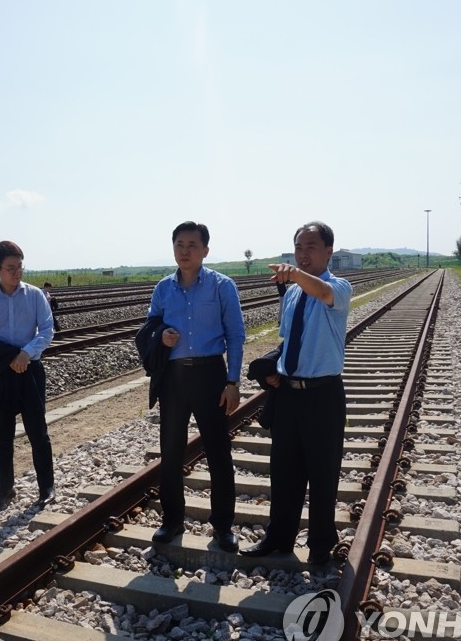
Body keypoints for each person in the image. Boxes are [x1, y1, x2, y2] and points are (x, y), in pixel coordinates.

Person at [240, 222, 352, 569]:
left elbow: (321, 292)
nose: (303, 254)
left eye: (311, 247)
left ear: (328, 251)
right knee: (284, 470)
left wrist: (295, 275)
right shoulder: (291, 294)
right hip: (289, 395)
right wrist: (274, 369)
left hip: (323, 395)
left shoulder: (339, 287)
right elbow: (289, 340)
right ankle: (278, 537)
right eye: (298, 248)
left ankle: (321, 544)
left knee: (323, 472)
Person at [143, 221, 245, 553]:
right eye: (179, 245)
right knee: (171, 451)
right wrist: (162, 336)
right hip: (173, 378)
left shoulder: (222, 286)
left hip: (210, 374)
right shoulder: (163, 288)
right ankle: (172, 520)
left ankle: (223, 526)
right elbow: (150, 326)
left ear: (205, 250)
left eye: (192, 245)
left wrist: (233, 381)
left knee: (218, 451)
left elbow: (236, 336)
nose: (185, 251)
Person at [0, 241, 56, 513]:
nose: (17, 272)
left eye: (20, 266)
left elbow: (48, 330)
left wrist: (26, 354)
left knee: (38, 432)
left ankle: (47, 487)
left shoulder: (35, 295)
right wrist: (9, 357)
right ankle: (4, 490)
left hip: (30, 371)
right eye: (10, 268)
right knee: (3, 437)